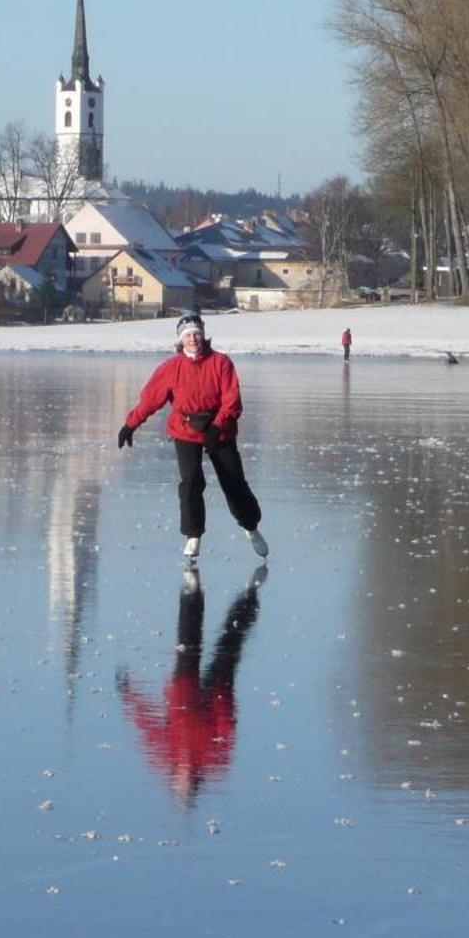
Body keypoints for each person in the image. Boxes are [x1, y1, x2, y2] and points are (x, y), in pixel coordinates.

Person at [117, 312, 267, 563]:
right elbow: (151, 399)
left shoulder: (221, 363)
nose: (193, 339)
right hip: (185, 429)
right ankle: (193, 535)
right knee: (191, 483)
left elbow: (232, 401)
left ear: (203, 335)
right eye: (188, 335)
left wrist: (217, 428)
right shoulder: (171, 368)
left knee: (233, 482)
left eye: (197, 333)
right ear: (180, 340)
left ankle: (250, 527)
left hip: (220, 428)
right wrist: (130, 424)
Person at [117, 566, 264, 802]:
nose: (182, 778)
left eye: (178, 783)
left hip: (184, 691)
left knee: (189, 640)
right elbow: (227, 726)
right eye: (184, 784)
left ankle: (191, 592)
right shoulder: (215, 761)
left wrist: (129, 694)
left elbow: (148, 725)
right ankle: (248, 602)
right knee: (229, 643)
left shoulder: (166, 756)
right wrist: (220, 696)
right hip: (211, 693)